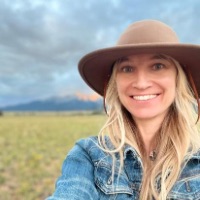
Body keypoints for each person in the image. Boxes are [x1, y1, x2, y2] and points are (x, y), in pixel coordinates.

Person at [46, 20, 200, 200]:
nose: (141, 83)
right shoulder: (88, 155)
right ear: (115, 84)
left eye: (157, 66)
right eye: (127, 68)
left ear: (178, 78)